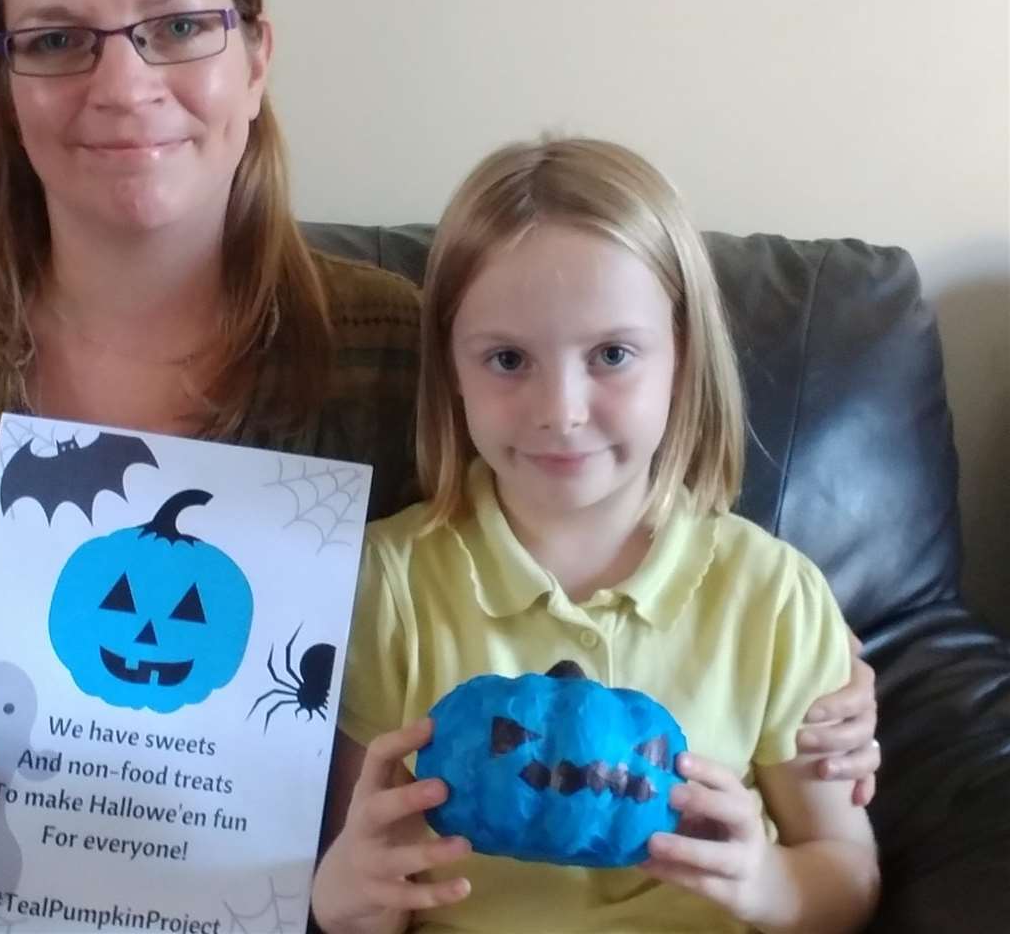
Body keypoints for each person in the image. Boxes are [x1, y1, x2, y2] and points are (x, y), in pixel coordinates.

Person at [0, 0, 879, 840]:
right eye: (56, 40)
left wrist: (819, 685)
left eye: (177, 25)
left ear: (253, 53)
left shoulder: (396, 346)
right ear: (0, 78)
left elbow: (601, 550)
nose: (124, 85)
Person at [311, 138, 881, 934]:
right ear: (451, 368)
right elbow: (354, 886)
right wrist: (346, 897)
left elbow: (845, 873)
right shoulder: (386, 583)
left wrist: (765, 881)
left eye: (611, 354)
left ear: (682, 357)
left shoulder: (773, 595)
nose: (561, 410)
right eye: (507, 359)